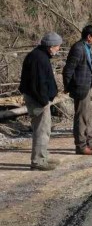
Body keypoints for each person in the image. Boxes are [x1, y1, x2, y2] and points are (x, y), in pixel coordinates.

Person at [19, 32, 62, 171]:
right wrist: (44, 101)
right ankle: (38, 161)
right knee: (41, 130)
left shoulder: (39, 55)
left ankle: (43, 157)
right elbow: (38, 83)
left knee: (44, 129)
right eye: (57, 46)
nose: (58, 49)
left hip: (38, 98)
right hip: (38, 100)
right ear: (50, 46)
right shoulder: (39, 58)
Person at [62, 25, 92, 156]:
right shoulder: (78, 48)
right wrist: (68, 87)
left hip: (86, 86)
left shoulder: (86, 47)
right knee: (80, 117)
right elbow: (68, 70)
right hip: (80, 87)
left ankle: (89, 142)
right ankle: (80, 145)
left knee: (88, 116)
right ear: (89, 37)